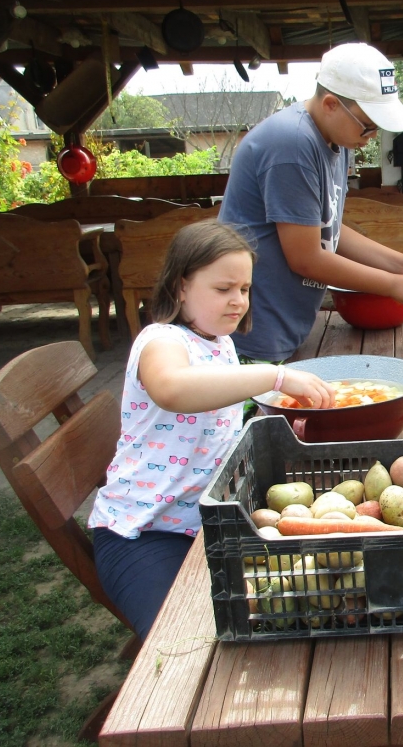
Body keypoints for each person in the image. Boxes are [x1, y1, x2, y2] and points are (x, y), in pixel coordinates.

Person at [87, 220, 335, 641]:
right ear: (181, 286)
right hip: (144, 532)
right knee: (178, 641)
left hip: (210, 523)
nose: (238, 300)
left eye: (245, 289)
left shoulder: (221, 344)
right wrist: (272, 376)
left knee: (280, 612)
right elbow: (172, 388)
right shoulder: (162, 341)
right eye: (223, 289)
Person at [220, 42, 403, 363]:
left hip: (284, 325)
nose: (372, 136)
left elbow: (329, 230)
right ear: (330, 104)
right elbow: (306, 258)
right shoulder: (292, 144)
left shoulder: (335, 141)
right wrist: (394, 285)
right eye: (368, 125)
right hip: (251, 332)